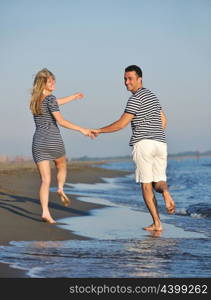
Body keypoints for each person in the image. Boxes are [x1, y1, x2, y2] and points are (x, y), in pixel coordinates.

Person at [91, 65, 175, 231]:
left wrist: (100, 130)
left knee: (145, 185)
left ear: (139, 79)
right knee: (159, 182)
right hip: (160, 143)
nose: (126, 82)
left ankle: (157, 224)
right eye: (124, 79)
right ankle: (166, 193)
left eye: (130, 79)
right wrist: (154, 131)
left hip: (144, 144)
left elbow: (121, 124)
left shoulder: (135, 99)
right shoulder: (152, 96)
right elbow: (164, 121)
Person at [30, 68, 94, 224]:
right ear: (43, 83)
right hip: (53, 140)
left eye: (53, 80)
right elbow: (61, 121)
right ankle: (60, 187)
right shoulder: (50, 99)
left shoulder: (35, 100)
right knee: (62, 164)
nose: (53, 82)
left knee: (45, 180)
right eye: (49, 81)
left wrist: (73, 96)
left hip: (38, 142)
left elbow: (57, 102)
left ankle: (45, 212)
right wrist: (82, 129)